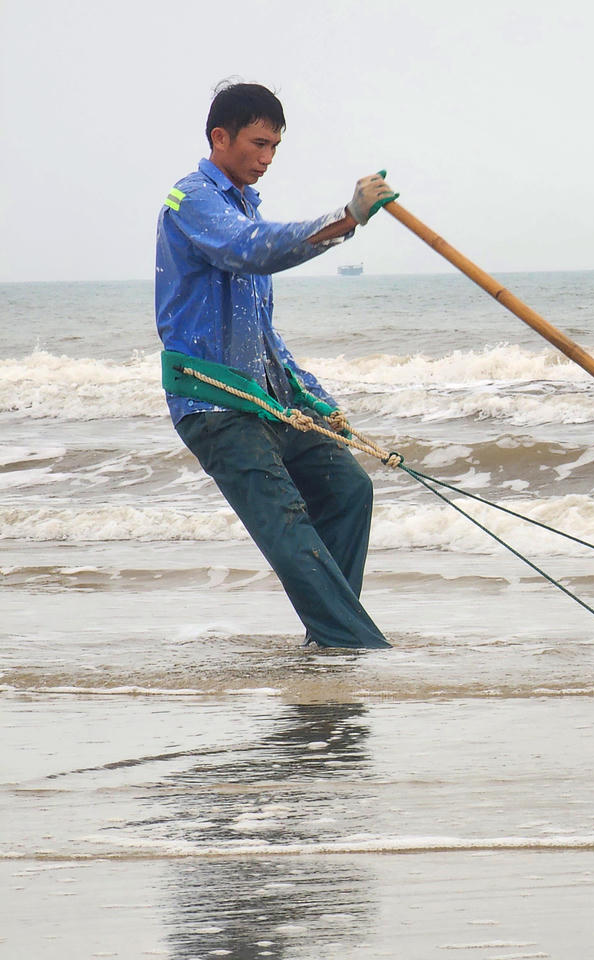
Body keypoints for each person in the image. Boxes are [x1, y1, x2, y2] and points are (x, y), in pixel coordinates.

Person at [155, 81, 396, 649]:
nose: (267, 159)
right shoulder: (190, 200)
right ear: (220, 137)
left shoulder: (244, 204)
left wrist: (315, 398)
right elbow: (253, 249)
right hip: (215, 406)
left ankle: (332, 639)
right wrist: (346, 218)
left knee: (349, 490)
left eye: (275, 147)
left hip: (268, 400)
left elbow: (261, 334)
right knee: (288, 523)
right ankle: (354, 646)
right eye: (258, 144)